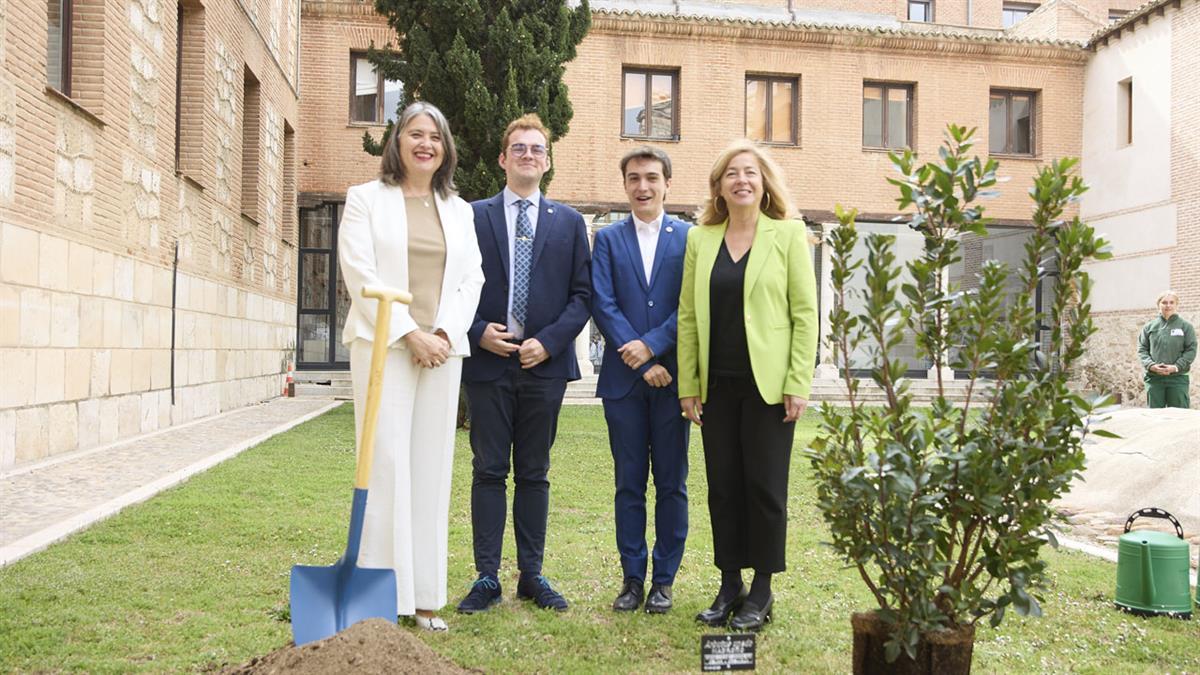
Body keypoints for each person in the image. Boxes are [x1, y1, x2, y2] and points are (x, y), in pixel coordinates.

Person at [337, 102, 484, 632]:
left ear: (446, 150)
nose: (426, 144)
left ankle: (424, 598)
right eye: (416, 135)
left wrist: (442, 333)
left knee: (430, 468)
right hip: (385, 348)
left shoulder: (459, 209)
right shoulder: (365, 200)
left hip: (442, 352)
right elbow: (360, 271)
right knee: (386, 465)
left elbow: (472, 280)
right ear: (397, 142)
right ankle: (382, 595)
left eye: (436, 138)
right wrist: (409, 333)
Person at [676, 140, 818, 632]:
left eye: (750, 173)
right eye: (731, 173)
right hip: (717, 387)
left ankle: (762, 589)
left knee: (764, 489)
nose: (741, 180)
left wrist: (798, 382)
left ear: (763, 184)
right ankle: (729, 582)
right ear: (718, 186)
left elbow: (805, 314)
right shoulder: (701, 240)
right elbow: (689, 318)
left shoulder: (787, 234)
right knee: (723, 489)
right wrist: (688, 385)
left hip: (770, 389)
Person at [456, 113, 592, 613]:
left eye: (537, 148)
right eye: (519, 148)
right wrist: (475, 332)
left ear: (548, 160)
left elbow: (582, 296)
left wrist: (550, 343)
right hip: (489, 364)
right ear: (502, 158)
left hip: (543, 367)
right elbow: (450, 287)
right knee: (488, 470)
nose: (528, 155)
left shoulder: (570, 223)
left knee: (535, 472)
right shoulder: (471, 217)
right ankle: (487, 577)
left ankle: (531, 575)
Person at [591, 146, 692, 614]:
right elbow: (602, 302)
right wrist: (638, 357)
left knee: (672, 484)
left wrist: (652, 346)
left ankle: (664, 581)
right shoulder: (608, 239)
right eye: (634, 178)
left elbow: (690, 307)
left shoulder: (689, 239)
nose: (643, 186)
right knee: (628, 484)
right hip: (624, 384)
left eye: (651, 177)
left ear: (667, 183)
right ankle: (633, 578)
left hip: (674, 381)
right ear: (625, 184)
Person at [1138, 290, 1196, 408]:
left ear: (1176, 304)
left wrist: (1175, 367)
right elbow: (1142, 349)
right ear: (1158, 305)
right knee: (1155, 417)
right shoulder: (1149, 327)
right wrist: (1151, 365)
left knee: (1179, 416)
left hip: (1177, 378)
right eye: (1164, 302)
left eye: (1171, 302)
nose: (1168, 305)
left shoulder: (1186, 326)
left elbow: (1191, 350)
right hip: (1154, 379)